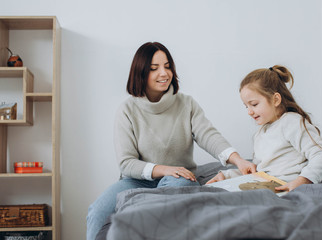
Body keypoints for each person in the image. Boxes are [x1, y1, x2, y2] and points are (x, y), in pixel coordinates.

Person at [86, 42, 256, 240]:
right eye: (154, 68)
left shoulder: (187, 104)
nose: (164, 73)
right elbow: (126, 163)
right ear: (140, 73)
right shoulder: (127, 110)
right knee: (96, 211)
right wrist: (164, 169)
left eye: (167, 66)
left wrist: (239, 160)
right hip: (135, 181)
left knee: (167, 199)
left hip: (178, 177)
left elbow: (209, 136)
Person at [206, 65, 322, 192]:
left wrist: (302, 181)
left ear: (276, 99)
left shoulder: (292, 122)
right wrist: (227, 176)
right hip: (267, 186)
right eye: (246, 107)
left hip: (289, 187)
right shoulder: (260, 134)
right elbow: (259, 172)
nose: (249, 112)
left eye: (254, 104)